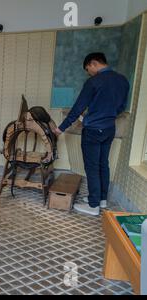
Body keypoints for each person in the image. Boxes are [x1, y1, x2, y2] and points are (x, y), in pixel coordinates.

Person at [54, 52, 130, 216]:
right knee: (103, 163)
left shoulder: (94, 81)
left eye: (88, 69)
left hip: (93, 130)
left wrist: (61, 128)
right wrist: (106, 114)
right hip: (109, 128)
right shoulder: (122, 80)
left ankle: (93, 205)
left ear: (93, 63)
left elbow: (78, 108)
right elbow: (121, 107)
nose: (88, 72)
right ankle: (102, 199)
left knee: (92, 166)